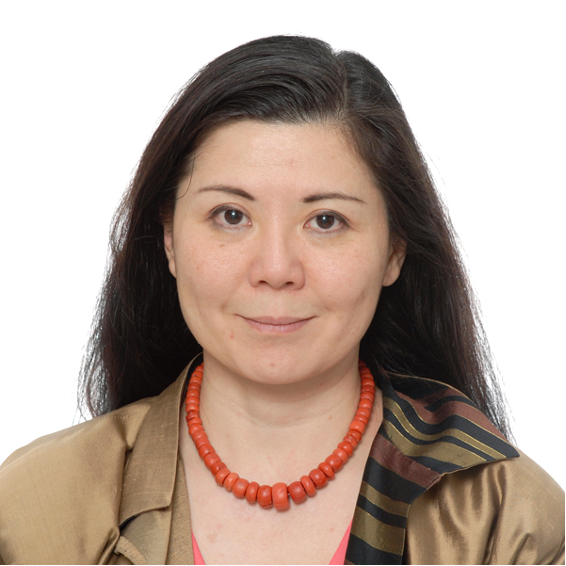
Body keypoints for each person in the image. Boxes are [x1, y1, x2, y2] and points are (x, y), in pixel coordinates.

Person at [0, 35, 563, 565]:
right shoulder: (35, 508)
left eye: (326, 220)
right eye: (231, 216)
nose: (275, 270)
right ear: (169, 239)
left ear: (394, 250)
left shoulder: (505, 517)